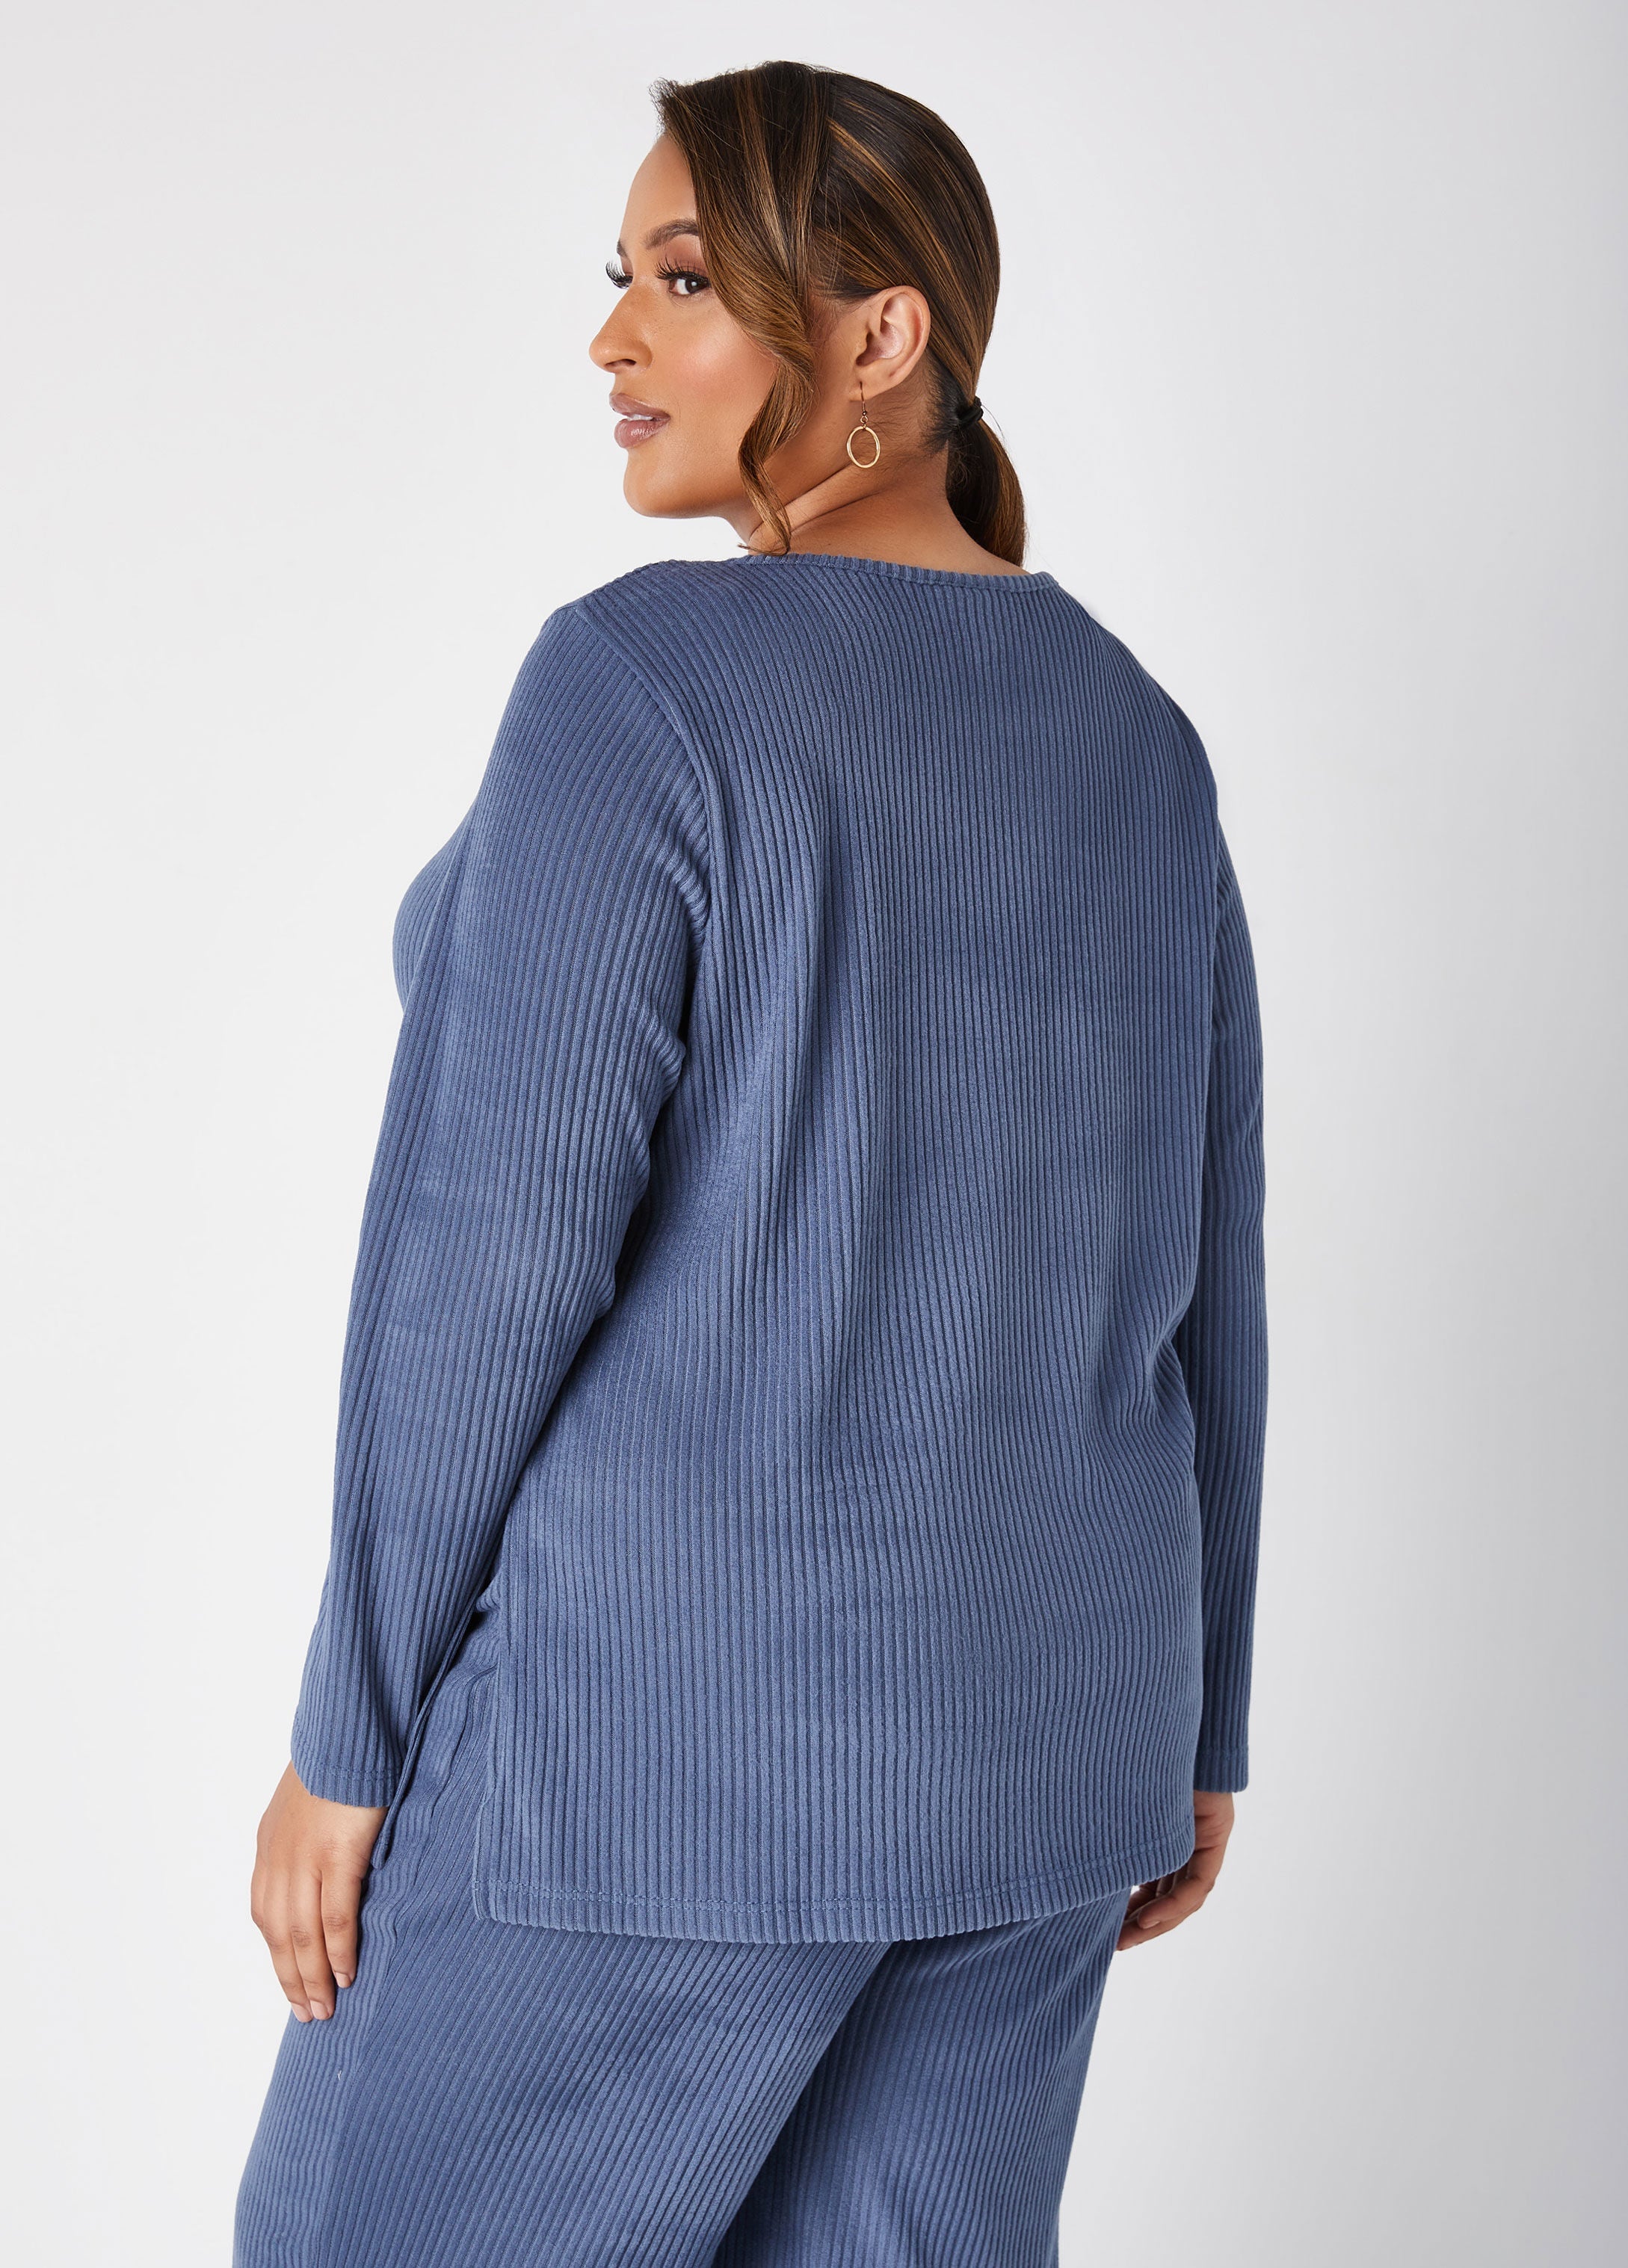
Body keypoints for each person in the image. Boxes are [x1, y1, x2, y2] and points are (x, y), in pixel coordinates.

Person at [235, 58, 1267, 2268]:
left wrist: (353, 1732)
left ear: (881, 338)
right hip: (1043, 1758)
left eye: (687, 281)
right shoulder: (1138, 741)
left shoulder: (638, 683)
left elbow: (493, 1255)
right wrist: (1201, 1717)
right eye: (620, 276)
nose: (614, 336)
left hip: (652, 1769)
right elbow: (1206, 1268)